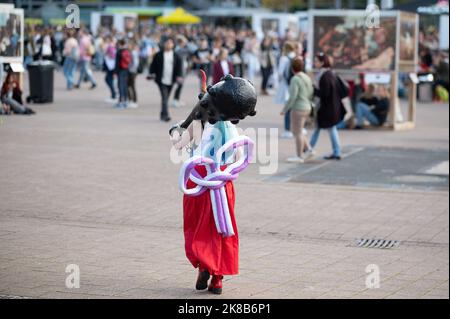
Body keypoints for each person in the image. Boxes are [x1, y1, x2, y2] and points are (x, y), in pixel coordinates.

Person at [309, 53, 345, 160]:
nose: (315, 63)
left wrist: (314, 90)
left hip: (327, 108)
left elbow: (325, 93)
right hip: (331, 107)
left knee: (322, 128)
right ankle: (336, 151)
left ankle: (308, 149)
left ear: (322, 62)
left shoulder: (325, 75)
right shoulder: (330, 74)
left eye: (316, 61)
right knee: (327, 128)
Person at [280, 57, 314, 163]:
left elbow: (292, 96)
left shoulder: (295, 79)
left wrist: (285, 109)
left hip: (298, 108)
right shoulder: (307, 77)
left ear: (292, 68)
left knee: (297, 132)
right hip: (307, 106)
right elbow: (311, 92)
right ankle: (308, 149)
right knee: (299, 130)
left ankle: (299, 156)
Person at [148, 37, 183, 122]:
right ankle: (165, 116)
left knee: (166, 98)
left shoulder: (176, 55)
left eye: (170, 43)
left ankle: (162, 113)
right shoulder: (158, 55)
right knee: (164, 97)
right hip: (161, 80)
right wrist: (151, 73)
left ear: (173, 45)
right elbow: (153, 66)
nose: (168, 45)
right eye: (167, 43)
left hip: (171, 80)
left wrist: (179, 76)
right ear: (163, 44)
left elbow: (179, 67)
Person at [274, 41, 296, 139]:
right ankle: (295, 128)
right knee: (294, 107)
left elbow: (280, 73)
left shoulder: (284, 58)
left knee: (287, 107)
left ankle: (287, 129)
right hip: (295, 83)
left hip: (286, 85)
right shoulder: (296, 57)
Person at [172, 36, 190, 108]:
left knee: (180, 85)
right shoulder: (179, 50)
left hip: (183, 70)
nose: (185, 44)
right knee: (179, 85)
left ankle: (177, 99)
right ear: (180, 43)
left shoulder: (180, 49)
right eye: (184, 42)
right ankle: (175, 100)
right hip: (179, 71)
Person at [115, 39, 131, 109]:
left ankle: (121, 102)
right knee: (125, 86)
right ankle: (126, 101)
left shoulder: (119, 51)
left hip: (120, 70)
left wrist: (115, 72)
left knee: (120, 86)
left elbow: (117, 63)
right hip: (126, 69)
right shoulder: (127, 50)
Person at [103, 35, 117, 103]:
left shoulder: (110, 46)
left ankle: (114, 94)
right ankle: (113, 94)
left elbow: (113, 56)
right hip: (111, 66)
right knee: (108, 80)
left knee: (108, 80)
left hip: (111, 66)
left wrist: (107, 54)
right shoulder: (112, 46)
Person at [127, 41, 140, 108]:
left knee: (132, 86)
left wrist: (130, 69)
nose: (127, 46)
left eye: (129, 45)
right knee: (129, 86)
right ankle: (130, 100)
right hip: (131, 71)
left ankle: (134, 101)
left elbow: (135, 63)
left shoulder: (133, 53)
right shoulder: (131, 52)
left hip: (132, 72)